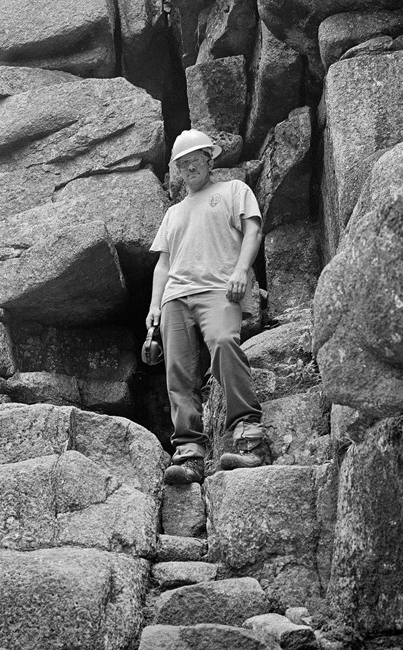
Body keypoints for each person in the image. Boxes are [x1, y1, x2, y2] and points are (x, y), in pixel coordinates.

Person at [146, 129, 270, 485]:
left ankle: (250, 439)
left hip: (219, 288)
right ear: (177, 170)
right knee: (178, 373)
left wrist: (242, 270)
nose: (189, 168)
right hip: (174, 297)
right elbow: (163, 265)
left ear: (209, 160)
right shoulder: (173, 213)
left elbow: (253, 231)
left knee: (224, 344)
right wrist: (154, 306)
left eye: (195, 161)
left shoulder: (234, 191)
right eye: (182, 165)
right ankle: (189, 455)